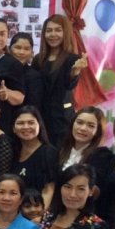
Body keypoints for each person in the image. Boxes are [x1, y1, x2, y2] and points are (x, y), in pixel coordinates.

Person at [32, 14, 89, 145]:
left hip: (61, 118)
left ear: (66, 33)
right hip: (40, 115)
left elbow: (69, 85)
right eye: (49, 30)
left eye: (58, 30)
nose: (53, 34)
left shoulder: (72, 59)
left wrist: (75, 72)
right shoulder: (38, 59)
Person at [0, 17, 26, 136]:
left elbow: (20, 97)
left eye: (2, 34)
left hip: (0, 120)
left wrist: (7, 93)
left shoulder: (13, 64)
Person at [13, 105, 58, 206]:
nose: (26, 127)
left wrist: (39, 214)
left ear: (39, 125)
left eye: (31, 122)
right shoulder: (14, 151)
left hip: (36, 211)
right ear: (13, 128)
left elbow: (49, 190)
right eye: (20, 123)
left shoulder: (48, 152)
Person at [57, 106, 112, 175]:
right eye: (79, 122)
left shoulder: (102, 156)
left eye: (91, 126)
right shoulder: (61, 147)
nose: (83, 128)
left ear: (98, 131)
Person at [9, 32, 43, 111]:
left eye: (26, 49)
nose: (21, 52)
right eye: (17, 47)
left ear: (32, 53)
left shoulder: (34, 77)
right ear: (9, 50)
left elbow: (34, 106)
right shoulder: (0, 70)